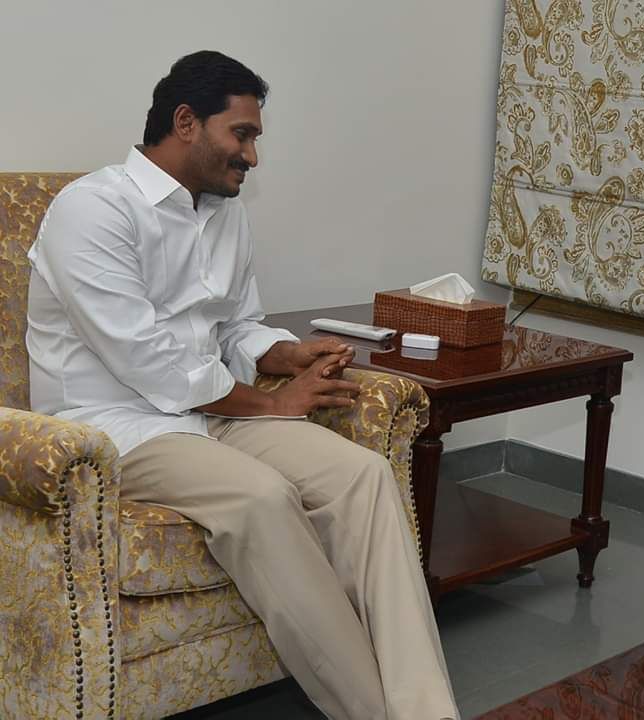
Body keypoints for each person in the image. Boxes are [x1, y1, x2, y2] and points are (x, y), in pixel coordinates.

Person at [26, 50, 458, 720]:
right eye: (244, 134)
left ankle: (424, 710)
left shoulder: (224, 211)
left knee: (362, 476)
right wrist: (272, 403)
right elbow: (149, 361)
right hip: (118, 426)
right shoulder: (93, 209)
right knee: (260, 496)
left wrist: (281, 353)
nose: (252, 157)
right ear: (186, 121)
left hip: (211, 412)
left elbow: (235, 325)